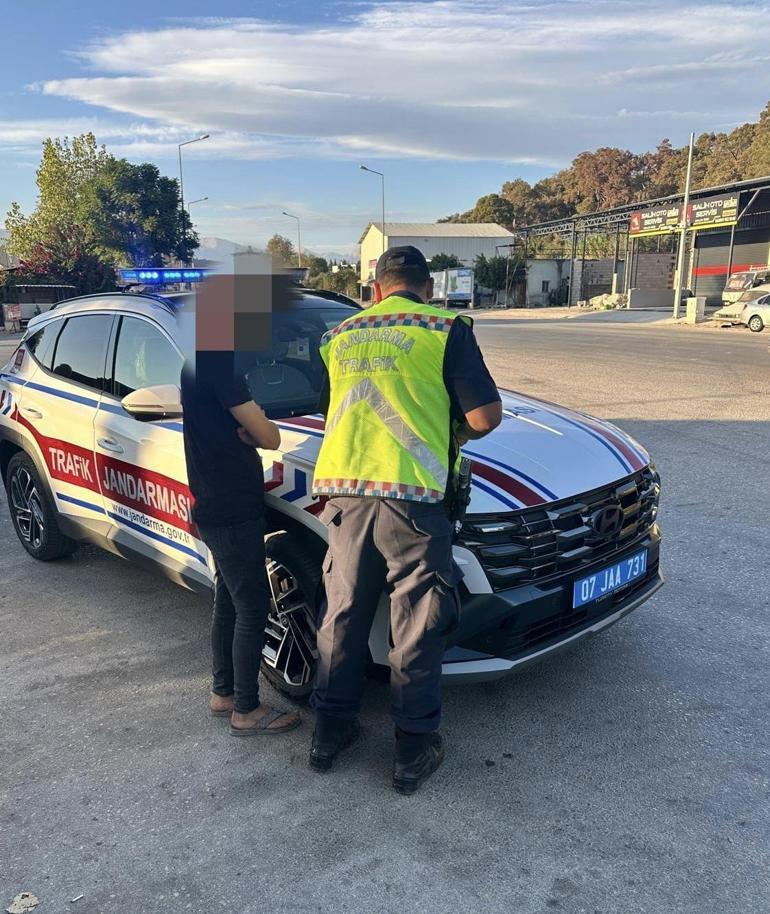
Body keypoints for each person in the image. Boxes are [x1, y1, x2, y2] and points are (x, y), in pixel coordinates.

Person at [308, 245, 501, 793]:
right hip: (413, 501)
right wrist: (449, 434)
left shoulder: (339, 336)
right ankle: (412, 752)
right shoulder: (443, 328)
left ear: (375, 289)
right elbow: (485, 416)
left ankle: (328, 736)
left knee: (341, 616)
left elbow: (334, 410)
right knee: (415, 625)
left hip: (345, 496)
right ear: (429, 288)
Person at [181, 352, 300, 736]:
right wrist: (256, 431)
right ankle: (246, 709)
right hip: (233, 507)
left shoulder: (195, 363)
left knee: (229, 599)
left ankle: (224, 693)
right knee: (251, 606)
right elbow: (271, 436)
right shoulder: (222, 367)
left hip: (213, 502)